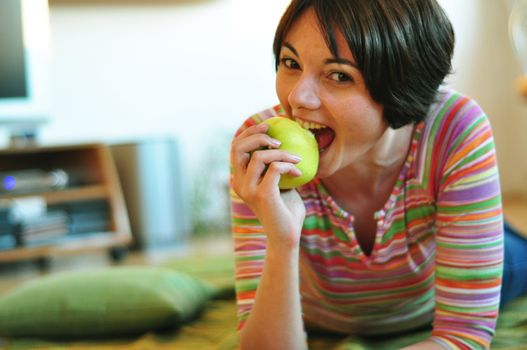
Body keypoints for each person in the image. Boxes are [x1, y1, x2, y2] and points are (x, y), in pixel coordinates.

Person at [229, 0, 527, 349]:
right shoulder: (261, 149)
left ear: (401, 85)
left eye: (339, 75)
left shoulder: (453, 129)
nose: (297, 98)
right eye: (291, 63)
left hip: (450, 275)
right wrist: (282, 240)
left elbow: (463, 336)